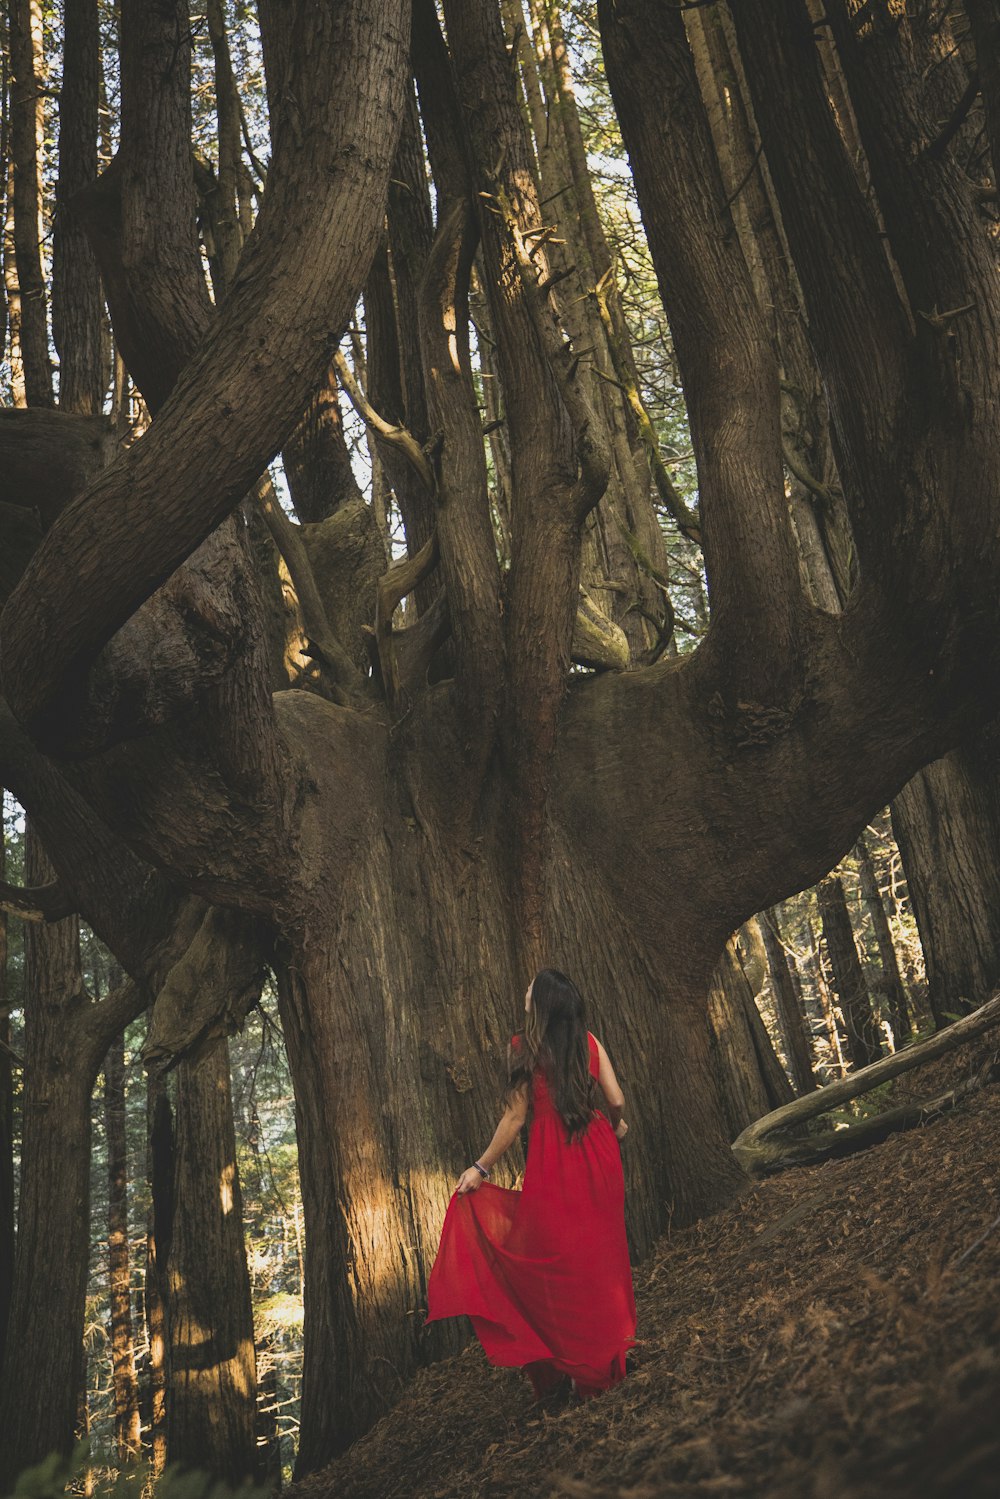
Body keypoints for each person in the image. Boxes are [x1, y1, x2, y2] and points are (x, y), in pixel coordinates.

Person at [425, 968, 636, 1402]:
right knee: (600, 1260)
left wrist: (480, 1169)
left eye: (530, 987)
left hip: (554, 1157)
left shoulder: (523, 1047)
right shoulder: (590, 1042)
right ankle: (599, 1360)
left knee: (551, 1261)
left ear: (541, 1002)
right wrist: (617, 1127)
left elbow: (515, 1117)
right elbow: (615, 1099)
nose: (523, 990)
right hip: (598, 1153)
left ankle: (568, 1365)